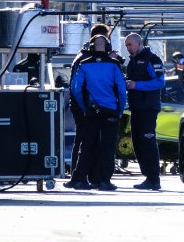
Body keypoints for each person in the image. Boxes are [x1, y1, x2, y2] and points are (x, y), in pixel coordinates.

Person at [67, 35, 127, 191]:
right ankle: (104, 181)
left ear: (91, 47)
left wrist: (84, 107)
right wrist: (120, 109)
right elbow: (122, 90)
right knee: (108, 147)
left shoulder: (84, 64)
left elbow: (76, 89)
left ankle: (79, 178)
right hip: (111, 110)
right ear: (108, 47)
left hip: (92, 111)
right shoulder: (114, 64)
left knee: (87, 145)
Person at [124, 34, 166, 190]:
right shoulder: (133, 61)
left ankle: (154, 178)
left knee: (148, 142)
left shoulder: (152, 59)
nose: (128, 48)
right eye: (126, 45)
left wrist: (137, 85)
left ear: (139, 43)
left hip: (148, 108)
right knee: (137, 143)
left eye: (130, 44)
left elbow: (160, 82)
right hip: (136, 108)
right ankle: (148, 176)